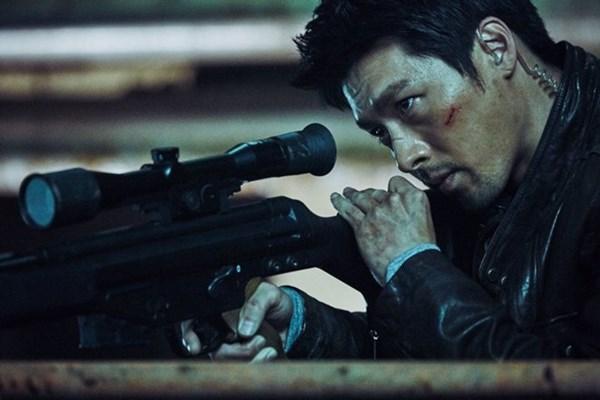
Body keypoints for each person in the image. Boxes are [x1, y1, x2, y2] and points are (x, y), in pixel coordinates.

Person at [184, 0, 600, 360]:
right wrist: (304, 327)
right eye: (381, 133)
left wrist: (416, 269)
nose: (405, 158)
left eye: (408, 104)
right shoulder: (477, 192)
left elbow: (563, 381)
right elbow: (438, 364)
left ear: (495, 47)